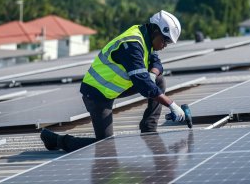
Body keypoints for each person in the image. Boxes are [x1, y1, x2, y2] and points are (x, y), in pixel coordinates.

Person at [40, 10, 187, 152]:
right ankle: (57, 140)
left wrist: (153, 75)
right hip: (97, 94)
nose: (165, 45)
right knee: (105, 146)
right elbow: (143, 85)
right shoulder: (132, 44)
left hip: (113, 88)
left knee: (158, 80)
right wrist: (172, 105)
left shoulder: (145, 37)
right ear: (156, 31)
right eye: (165, 40)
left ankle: (148, 127)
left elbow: (156, 63)